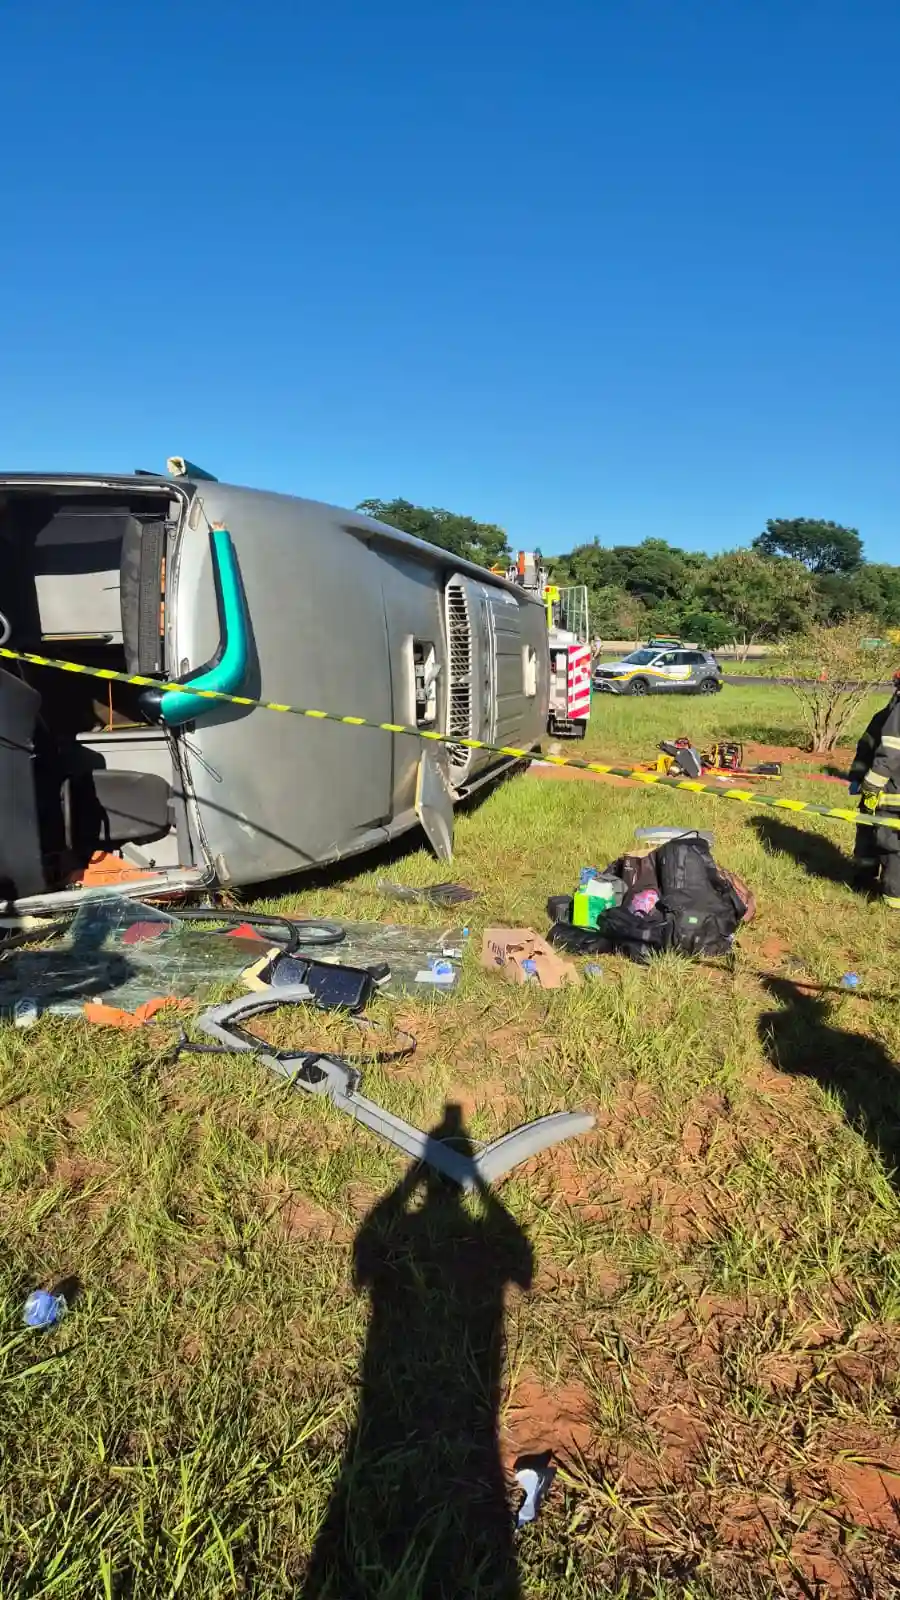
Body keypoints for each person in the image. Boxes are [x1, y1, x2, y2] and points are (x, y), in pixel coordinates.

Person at [850, 668, 900, 907]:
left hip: (890, 794)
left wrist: (870, 785)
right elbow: (867, 744)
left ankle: (892, 901)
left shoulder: (897, 713)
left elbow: (889, 753)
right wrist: (857, 775)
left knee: (890, 844)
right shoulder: (886, 715)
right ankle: (863, 879)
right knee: (868, 833)